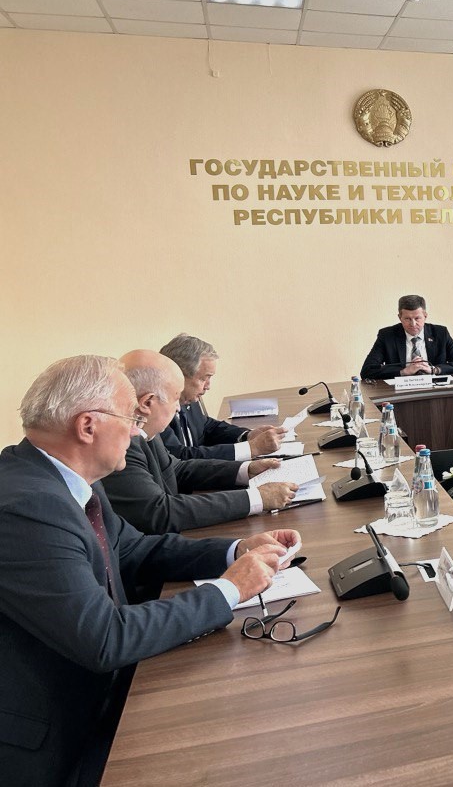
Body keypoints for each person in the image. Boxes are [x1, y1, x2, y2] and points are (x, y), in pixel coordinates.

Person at [0, 355, 298, 787]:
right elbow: (105, 637)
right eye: (131, 418)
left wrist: (235, 549)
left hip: (104, 695)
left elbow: (134, 548)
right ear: (88, 426)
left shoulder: (62, 478)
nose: (138, 431)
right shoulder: (28, 506)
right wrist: (229, 590)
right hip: (58, 741)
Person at [105, 350, 297, 534]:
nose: (178, 408)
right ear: (147, 403)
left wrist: (247, 470)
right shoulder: (122, 445)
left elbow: (177, 469)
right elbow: (160, 512)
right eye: (175, 399)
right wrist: (256, 498)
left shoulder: (146, 432)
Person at [159, 333, 285, 461]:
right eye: (204, 378)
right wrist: (251, 448)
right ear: (179, 374)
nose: (208, 386)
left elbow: (206, 426)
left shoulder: (189, 399)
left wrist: (247, 436)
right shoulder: (157, 410)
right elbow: (180, 457)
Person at [360, 294, 453, 379]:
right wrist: (403, 372)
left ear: (425, 316)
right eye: (407, 319)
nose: (413, 324)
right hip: (400, 393)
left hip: (434, 391)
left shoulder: (440, 333)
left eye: (417, 318)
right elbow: (367, 371)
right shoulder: (387, 335)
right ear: (399, 317)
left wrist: (434, 369)